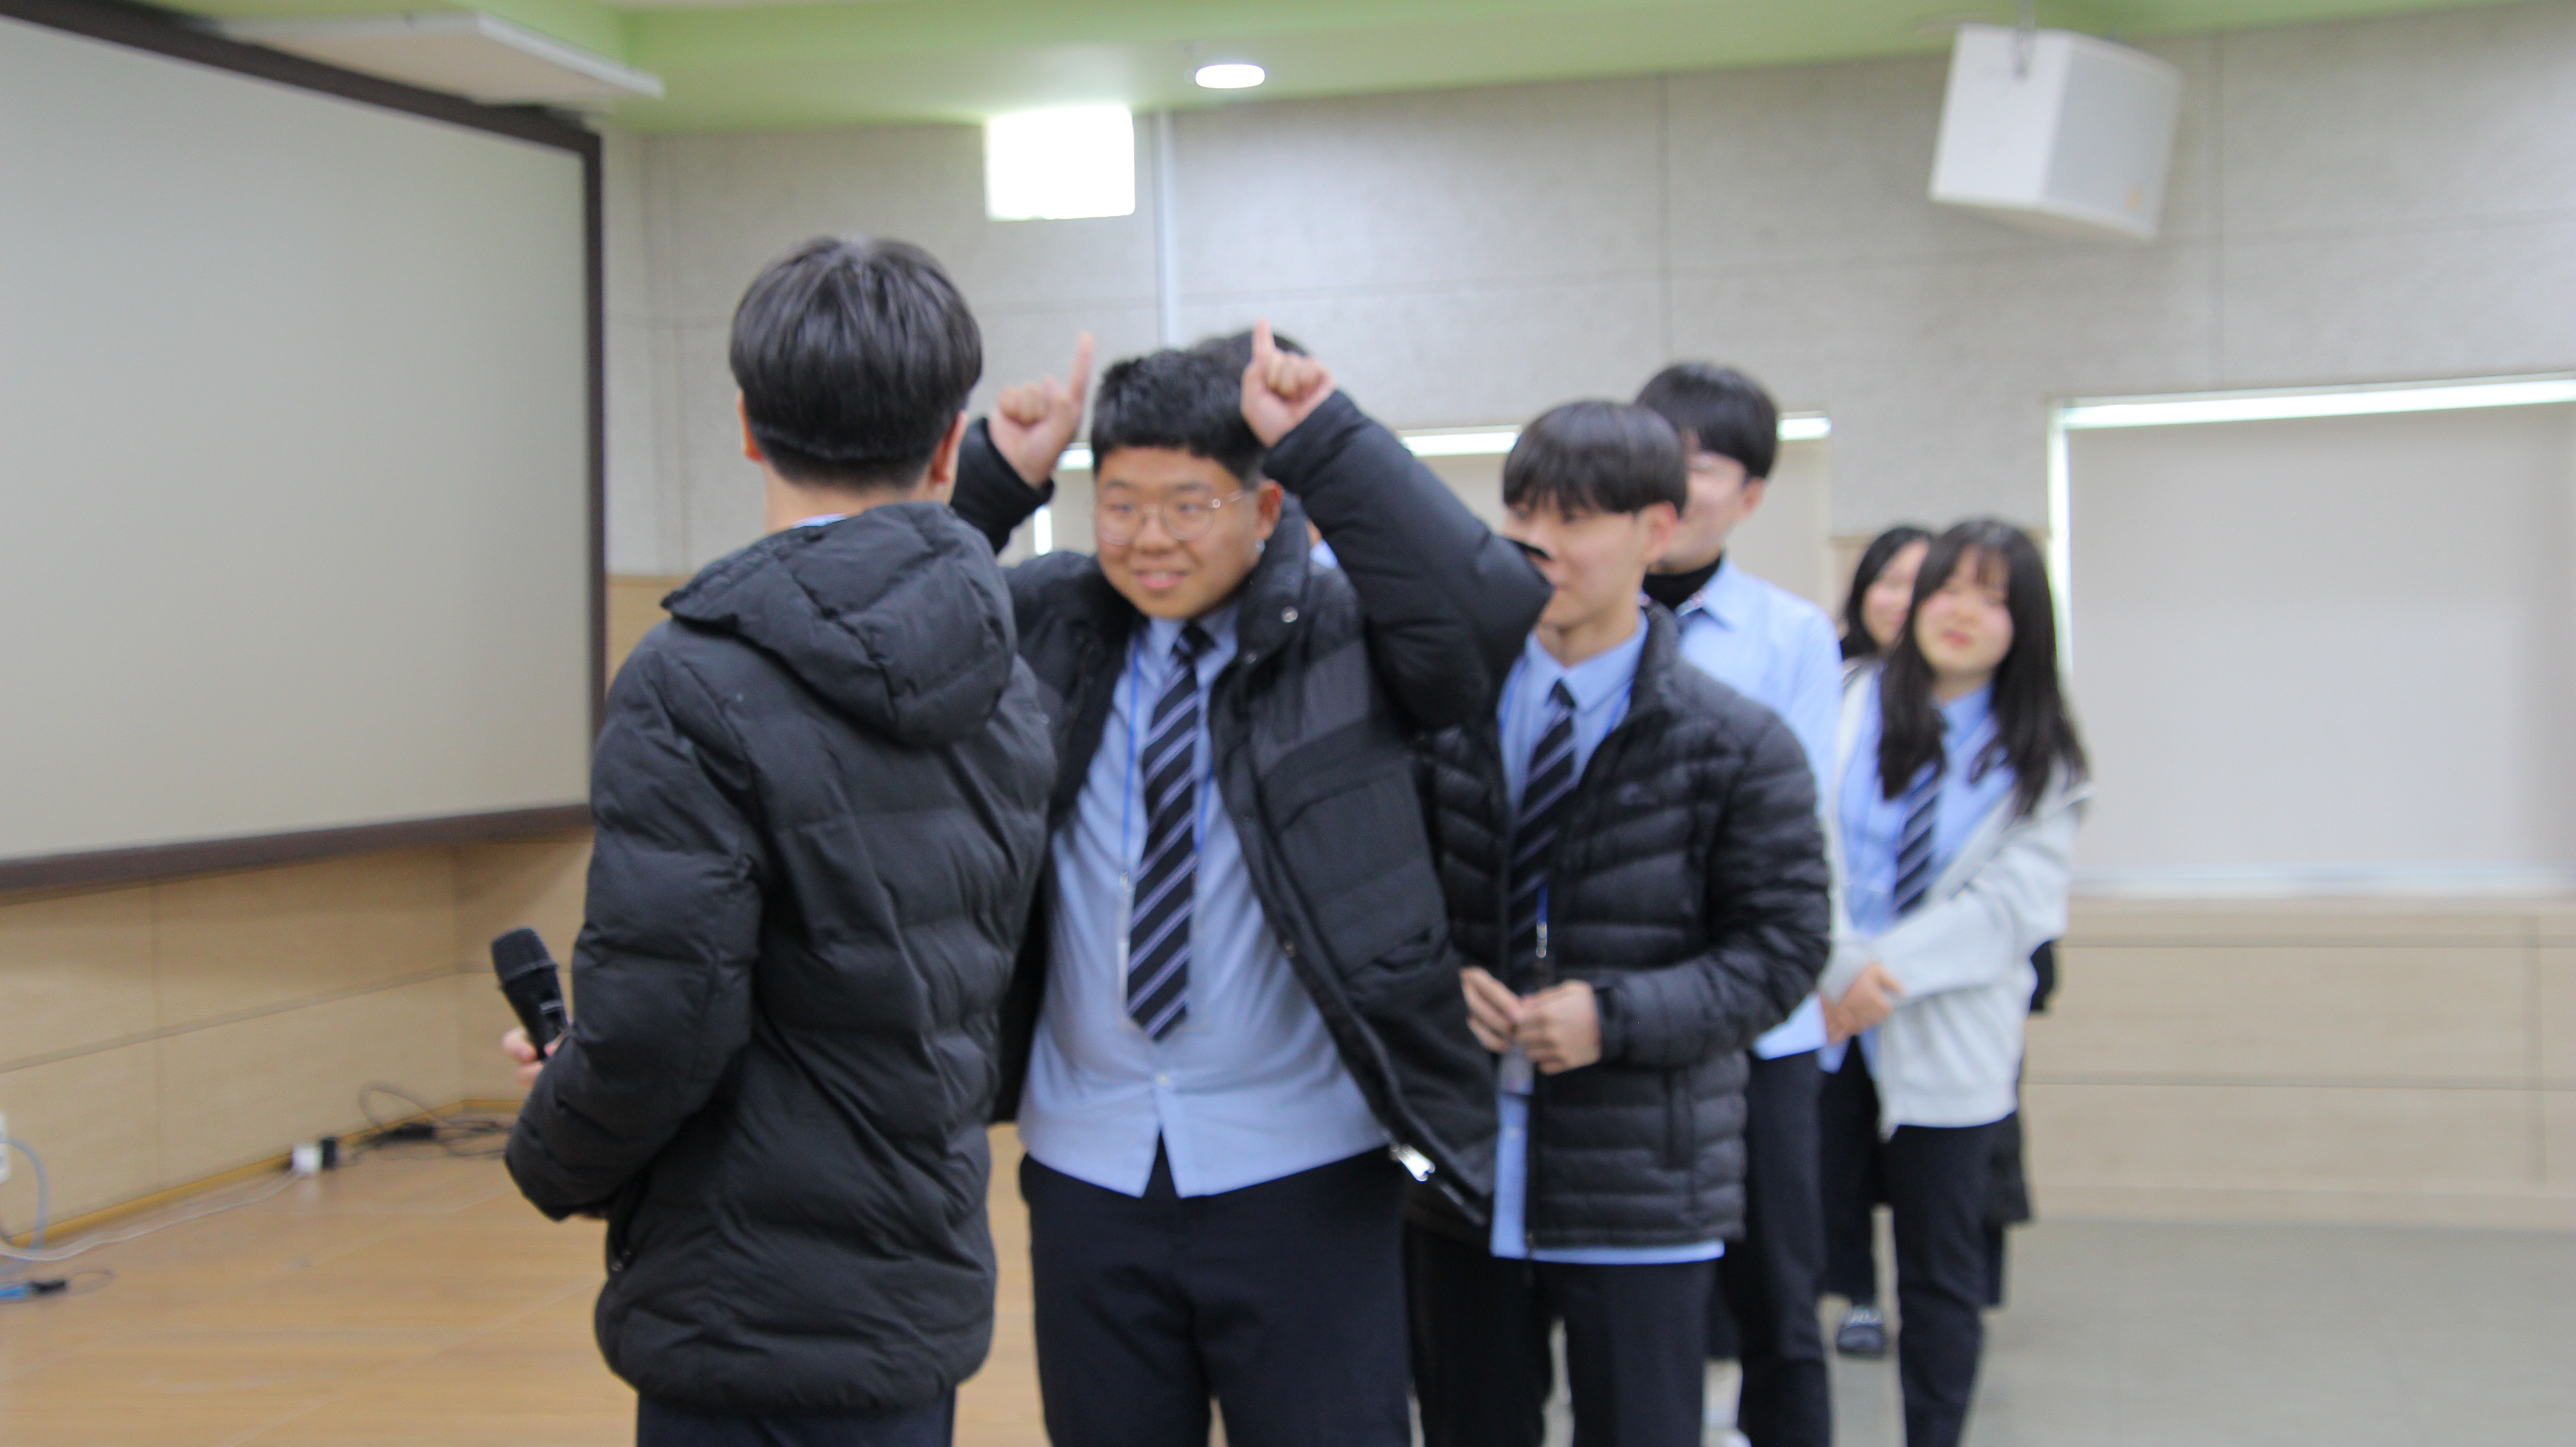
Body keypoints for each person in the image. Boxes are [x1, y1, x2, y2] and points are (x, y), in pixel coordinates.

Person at [948, 323, 1552, 1447]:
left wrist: (1328, 438)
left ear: (1267, 506)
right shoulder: (1047, 625)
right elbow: (884, 620)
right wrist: (994, 478)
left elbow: (1485, 615)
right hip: (1087, 1161)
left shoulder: (1346, 636)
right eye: (1121, 504)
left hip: (1303, 1162)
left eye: (1190, 504)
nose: (1150, 538)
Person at [501, 238, 1056, 1447]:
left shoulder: (690, 679)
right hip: (913, 1290)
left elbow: (658, 1024)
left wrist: (552, 1144)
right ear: (952, 443)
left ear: (748, 425)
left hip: (741, 1307)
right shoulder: (1004, 681)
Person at [1407, 400, 1833, 1447]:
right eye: (1522, 515)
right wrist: (1435, 981)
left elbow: (1783, 950)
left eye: (1574, 519)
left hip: (1644, 1181)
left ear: (1657, 529)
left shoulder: (1736, 744)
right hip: (1458, 1169)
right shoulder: (1440, 715)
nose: (1538, 544)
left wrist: (1617, 1017)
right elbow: (1380, 901)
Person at [1819, 518, 2091, 1447]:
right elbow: (1795, 844)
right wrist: (1839, 968)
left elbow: (2012, 908)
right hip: (1817, 1020)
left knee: (1940, 1279)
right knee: (1784, 1262)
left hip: (1943, 1036)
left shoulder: (2046, 756)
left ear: (2027, 623)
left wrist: (1882, 976)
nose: (1961, 612)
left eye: (1992, 596)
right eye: (1945, 588)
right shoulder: (1843, 702)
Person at [1632, 362, 1842, 1447]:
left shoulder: (1791, 635)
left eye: (1702, 467)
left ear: (1751, 495)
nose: (1674, 486)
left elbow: (1789, 828)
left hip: (1759, 1026)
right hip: (1616, 1018)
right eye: (1655, 456)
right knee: (1637, 1307)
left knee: (1777, 1299)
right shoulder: (1566, 615)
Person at [1819, 522, 1931, 1359]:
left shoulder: (1987, 705)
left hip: (1927, 968)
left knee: (1931, 1153)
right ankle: (1857, 1293)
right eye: (1886, 581)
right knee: (1839, 1145)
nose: (1901, 599)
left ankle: (1938, 1299)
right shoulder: (1832, 686)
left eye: (1921, 583)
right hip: (1834, 963)